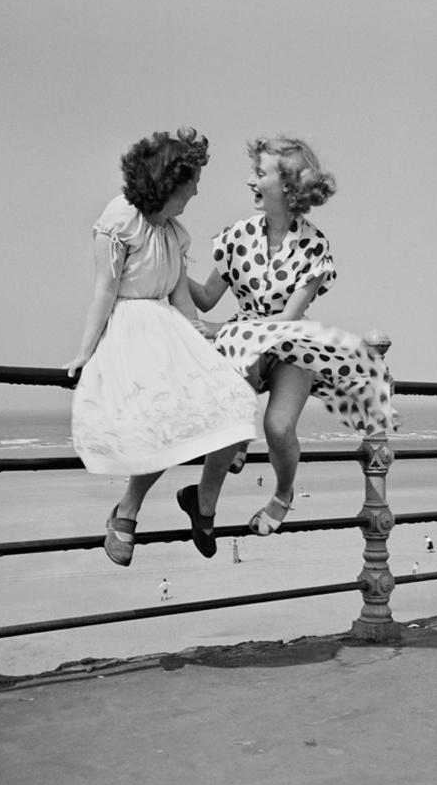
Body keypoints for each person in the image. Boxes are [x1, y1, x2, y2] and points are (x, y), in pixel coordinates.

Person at [64, 128, 258, 567]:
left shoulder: (174, 234)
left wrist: (202, 336)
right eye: (192, 181)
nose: (197, 190)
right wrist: (84, 351)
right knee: (166, 414)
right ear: (170, 182)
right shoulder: (119, 221)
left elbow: (182, 299)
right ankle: (127, 510)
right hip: (131, 331)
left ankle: (202, 500)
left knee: (236, 401)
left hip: (169, 330)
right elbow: (103, 291)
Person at [188, 136, 393, 536]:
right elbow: (209, 298)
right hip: (243, 343)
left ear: (287, 186)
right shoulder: (236, 236)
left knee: (279, 428)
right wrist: (172, 265)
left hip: (290, 343)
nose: (250, 180)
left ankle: (282, 495)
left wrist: (220, 331)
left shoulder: (314, 246)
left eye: (259, 173)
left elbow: (286, 320)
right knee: (236, 392)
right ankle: (208, 497)